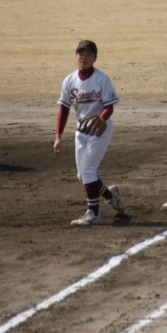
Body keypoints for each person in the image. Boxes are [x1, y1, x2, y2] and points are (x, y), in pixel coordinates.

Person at [54, 40, 124, 226]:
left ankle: (93, 214)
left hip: (100, 130)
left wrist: (101, 118)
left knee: (88, 171)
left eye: (88, 55)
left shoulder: (102, 79)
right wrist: (58, 136)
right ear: (76, 56)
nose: (83, 58)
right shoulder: (70, 80)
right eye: (81, 54)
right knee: (83, 175)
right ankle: (110, 195)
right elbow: (64, 108)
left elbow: (109, 107)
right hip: (81, 131)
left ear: (95, 58)